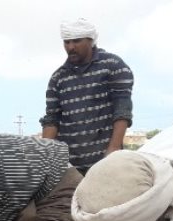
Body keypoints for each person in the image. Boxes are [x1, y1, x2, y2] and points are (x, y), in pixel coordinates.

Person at [40, 18, 134, 174]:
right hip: (69, 166)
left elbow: (122, 111)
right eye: (66, 42)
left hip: (105, 162)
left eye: (76, 41)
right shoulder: (58, 78)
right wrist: (42, 157)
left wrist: (114, 149)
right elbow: (52, 120)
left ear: (90, 41)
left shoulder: (113, 66)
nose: (70, 47)